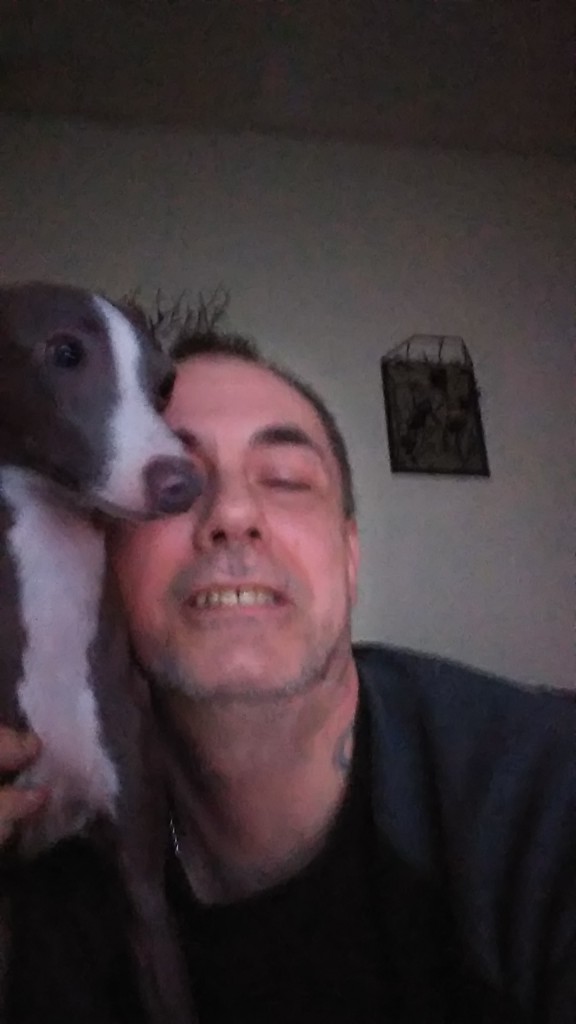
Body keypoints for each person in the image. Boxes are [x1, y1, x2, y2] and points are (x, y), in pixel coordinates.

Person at [1, 318, 576, 1024]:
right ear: (102, 555)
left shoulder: (545, 794)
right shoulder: (60, 868)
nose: (233, 514)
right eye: (177, 482)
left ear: (350, 557)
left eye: (286, 480)